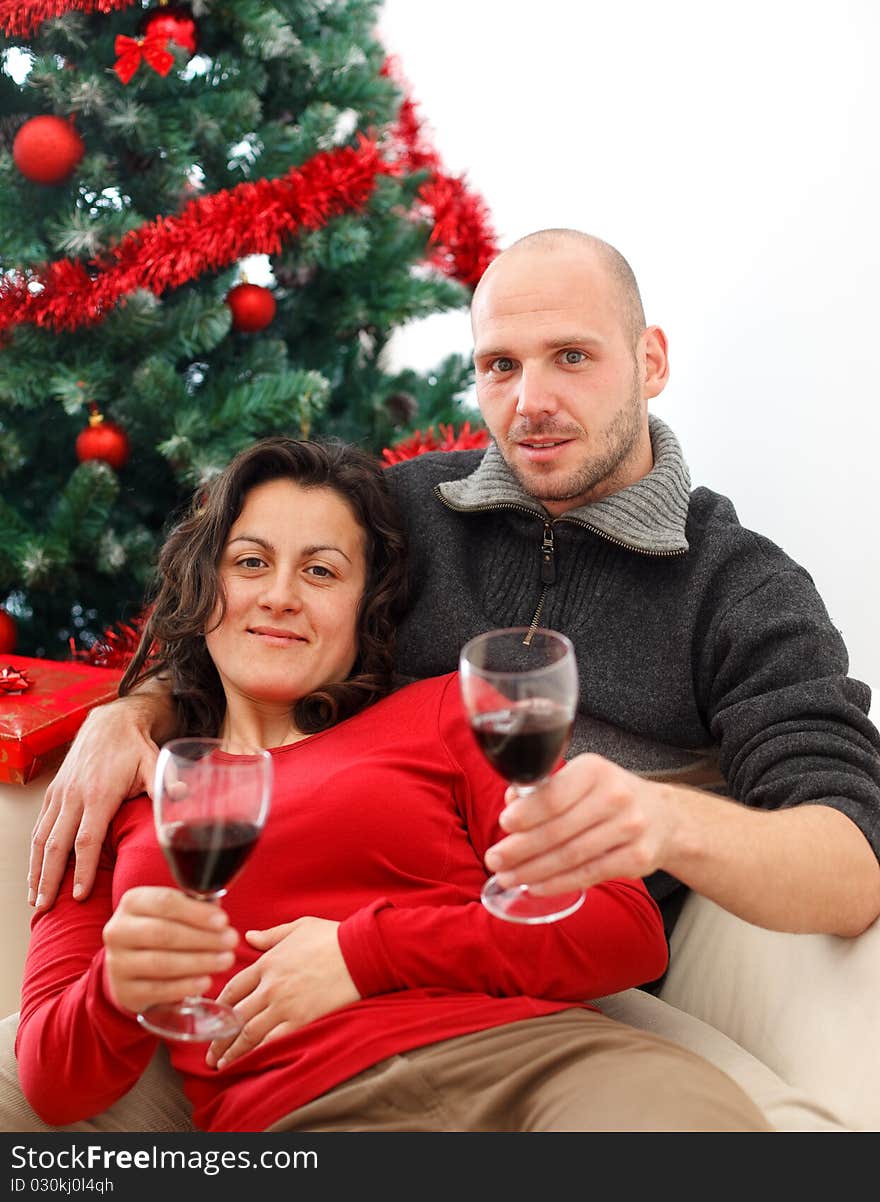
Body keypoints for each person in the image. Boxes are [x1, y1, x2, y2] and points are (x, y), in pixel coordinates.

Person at [29, 228, 880, 945]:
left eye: (572, 357)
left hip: (527, 976)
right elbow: (259, 626)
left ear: (650, 361)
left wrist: (664, 823)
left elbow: (852, 864)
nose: (530, 401)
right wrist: (133, 710)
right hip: (300, 938)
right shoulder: (404, 509)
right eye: (500, 366)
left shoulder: (738, 587)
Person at [14, 436, 770, 1133]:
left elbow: (620, 928)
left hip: (550, 1070)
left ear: (365, 606)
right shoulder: (120, 790)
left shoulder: (445, 713)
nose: (280, 595)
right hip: (298, 1117)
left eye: (321, 571)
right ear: (204, 584)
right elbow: (51, 1082)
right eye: (249, 562)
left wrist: (363, 952)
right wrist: (118, 987)